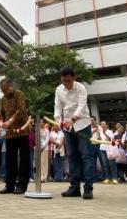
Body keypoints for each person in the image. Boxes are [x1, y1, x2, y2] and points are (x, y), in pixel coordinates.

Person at [54, 67, 94, 200]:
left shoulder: (81, 88)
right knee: (71, 156)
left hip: (82, 124)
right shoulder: (59, 89)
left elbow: (82, 106)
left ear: (74, 78)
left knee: (86, 156)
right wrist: (57, 119)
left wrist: (72, 119)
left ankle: (88, 188)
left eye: (69, 81)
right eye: (64, 81)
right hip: (67, 127)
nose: (67, 83)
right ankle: (74, 187)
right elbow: (58, 106)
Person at [0, 78, 30, 194]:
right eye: (2, 91)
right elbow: (1, 113)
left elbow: (20, 110)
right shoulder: (3, 99)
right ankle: (9, 184)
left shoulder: (19, 94)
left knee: (23, 159)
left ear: (10, 85)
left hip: (22, 130)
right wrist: (1, 122)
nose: (5, 93)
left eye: (6, 90)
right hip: (9, 133)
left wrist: (10, 121)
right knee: (10, 159)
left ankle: (22, 185)